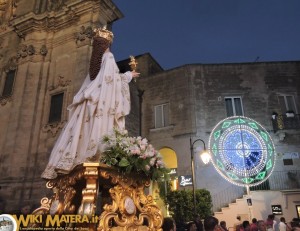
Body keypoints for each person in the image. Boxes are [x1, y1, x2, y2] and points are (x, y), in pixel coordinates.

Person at [41, 27, 140, 179]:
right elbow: (111, 80)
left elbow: (104, 80)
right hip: (102, 104)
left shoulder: (96, 60)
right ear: (108, 44)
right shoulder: (109, 57)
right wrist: (128, 75)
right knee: (99, 133)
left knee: (82, 132)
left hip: (90, 104)